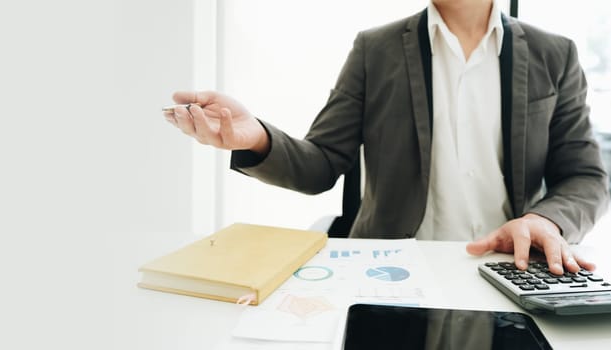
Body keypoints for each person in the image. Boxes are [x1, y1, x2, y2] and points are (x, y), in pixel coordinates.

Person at [162, 0, 608, 275]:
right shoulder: (376, 48)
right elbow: (320, 163)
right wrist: (255, 137)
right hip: (392, 274)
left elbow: (585, 177)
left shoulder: (555, 53)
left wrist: (545, 221)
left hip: (508, 272)